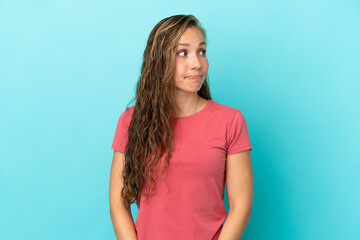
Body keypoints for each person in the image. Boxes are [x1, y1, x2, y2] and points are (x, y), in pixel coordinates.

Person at [109, 14, 253, 240]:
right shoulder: (131, 121)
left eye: (202, 51)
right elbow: (118, 202)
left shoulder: (231, 121)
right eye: (183, 53)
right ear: (160, 60)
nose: (197, 63)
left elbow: (241, 206)